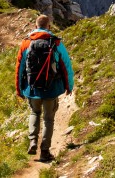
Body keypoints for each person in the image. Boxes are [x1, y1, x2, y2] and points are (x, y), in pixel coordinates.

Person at [15, 14, 74, 162]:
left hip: (32, 88)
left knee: (34, 112)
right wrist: (69, 86)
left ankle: (33, 141)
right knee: (48, 119)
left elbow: (19, 68)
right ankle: (45, 152)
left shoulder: (26, 43)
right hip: (51, 88)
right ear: (49, 27)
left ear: (35, 26)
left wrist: (19, 89)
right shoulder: (56, 42)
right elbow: (66, 66)